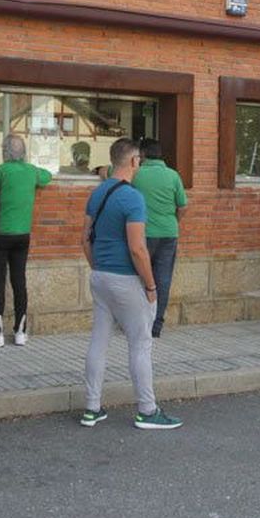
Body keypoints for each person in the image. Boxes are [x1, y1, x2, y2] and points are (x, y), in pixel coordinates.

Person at [80, 139, 181, 429]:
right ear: (135, 161)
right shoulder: (133, 198)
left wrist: (98, 267)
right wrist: (151, 286)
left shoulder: (98, 193)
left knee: (99, 341)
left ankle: (92, 408)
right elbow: (138, 248)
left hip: (100, 276)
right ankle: (147, 411)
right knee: (140, 343)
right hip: (126, 278)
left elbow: (84, 239)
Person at [0, 134, 53, 346]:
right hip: (23, 235)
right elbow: (47, 176)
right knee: (19, 281)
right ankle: (20, 332)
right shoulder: (31, 171)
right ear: (24, 153)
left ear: (4, 152)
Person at [131, 138, 188, 338]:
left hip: (143, 235)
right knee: (162, 279)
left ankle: (138, 323)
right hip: (169, 234)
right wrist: (172, 222)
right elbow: (182, 206)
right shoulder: (173, 175)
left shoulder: (136, 173)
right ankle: (156, 325)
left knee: (140, 277)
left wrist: (100, 170)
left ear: (142, 154)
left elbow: (112, 173)